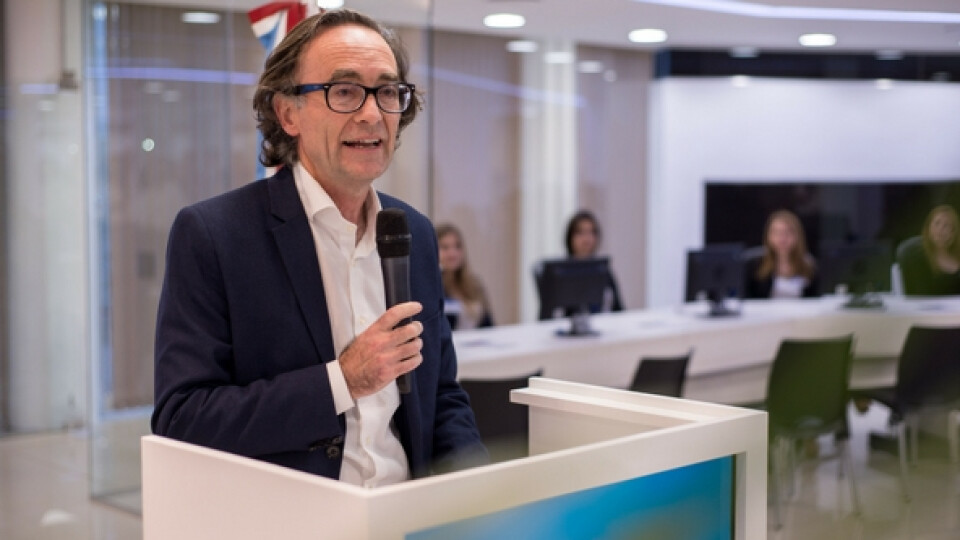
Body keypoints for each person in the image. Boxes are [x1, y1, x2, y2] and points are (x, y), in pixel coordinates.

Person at [151, 9, 486, 486]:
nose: (372, 114)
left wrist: (477, 495)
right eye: (344, 91)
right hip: (295, 513)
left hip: (407, 510)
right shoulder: (214, 234)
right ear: (288, 113)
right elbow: (183, 418)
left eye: (387, 92)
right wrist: (342, 381)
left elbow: (442, 396)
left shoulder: (415, 231)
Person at [746, 210, 819, 299]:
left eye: (787, 232)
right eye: (777, 233)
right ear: (768, 236)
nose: (782, 239)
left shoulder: (809, 265)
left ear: (798, 236)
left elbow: (816, 299)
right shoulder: (755, 264)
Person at [436, 224, 494, 330]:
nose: (452, 253)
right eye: (445, 247)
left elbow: (488, 324)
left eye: (457, 246)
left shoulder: (474, 284)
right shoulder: (432, 287)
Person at [564, 210, 624, 312]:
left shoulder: (603, 270)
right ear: (570, 237)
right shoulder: (561, 272)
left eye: (591, 232)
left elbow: (618, 309)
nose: (586, 239)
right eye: (580, 233)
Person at [900, 205, 960, 296]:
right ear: (928, 228)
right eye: (937, 224)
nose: (940, 229)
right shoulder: (916, 257)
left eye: (946, 225)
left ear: (954, 231)